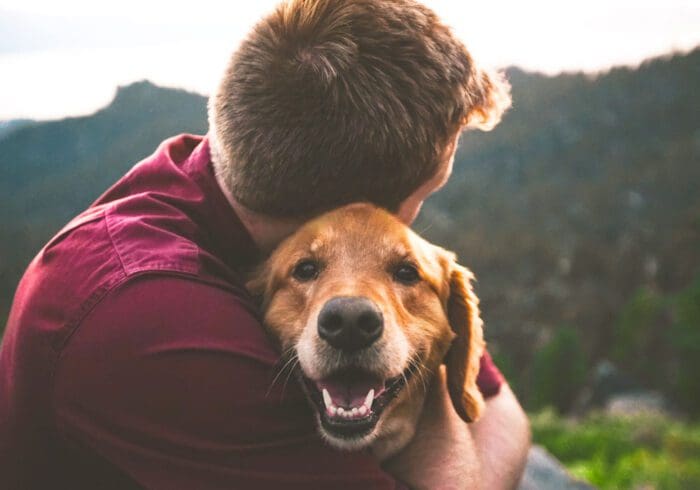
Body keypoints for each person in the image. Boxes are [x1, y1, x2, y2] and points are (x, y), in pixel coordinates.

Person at [0, 0, 530, 488]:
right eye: (427, 191)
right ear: (356, 206)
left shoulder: (230, 180)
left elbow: (500, 406)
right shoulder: (151, 316)